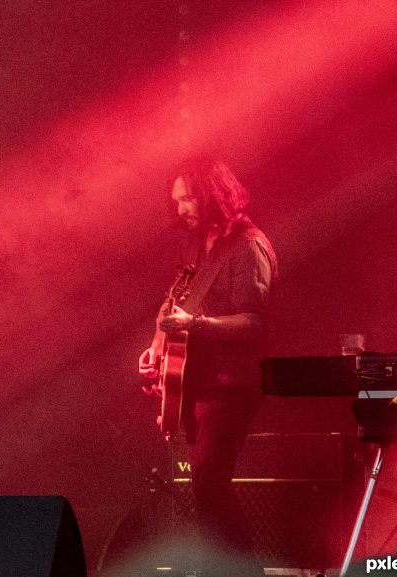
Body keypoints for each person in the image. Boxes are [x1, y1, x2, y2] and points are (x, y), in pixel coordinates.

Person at [138, 157, 277, 566]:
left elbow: (254, 321)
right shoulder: (197, 243)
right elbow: (172, 301)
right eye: (177, 200)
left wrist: (195, 324)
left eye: (188, 198)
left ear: (212, 193)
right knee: (204, 485)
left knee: (209, 480)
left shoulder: (248, 245)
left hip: (230, 383)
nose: (181, 209)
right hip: (198, 382)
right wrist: (156, 348)